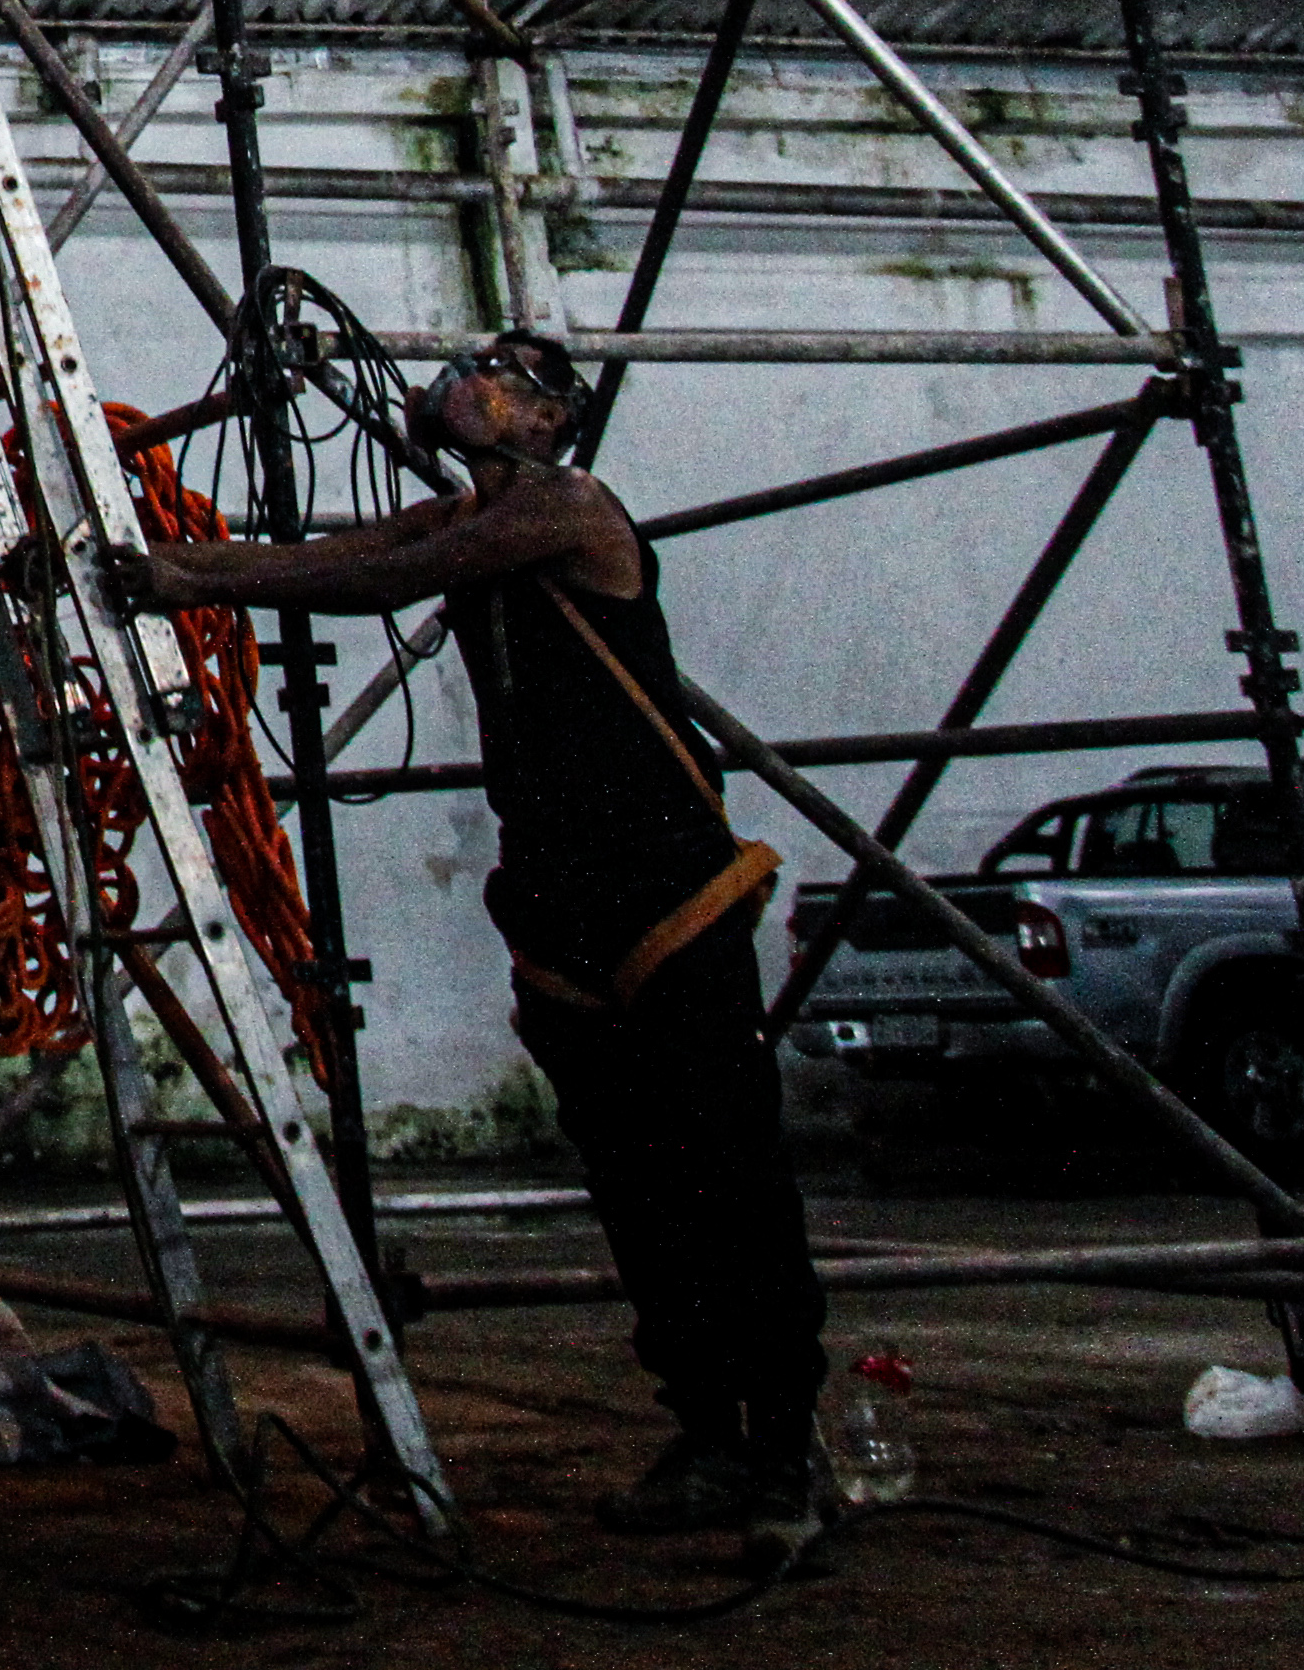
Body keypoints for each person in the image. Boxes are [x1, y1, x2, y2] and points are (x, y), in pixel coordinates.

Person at [102, 329, 828, 1565]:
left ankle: (782, 1454)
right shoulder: (470, 522)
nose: (473, 383)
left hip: (666, 893)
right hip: (560, 898)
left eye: (513, 378)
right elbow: (340, 554)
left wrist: (195, 582)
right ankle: (710, 1432)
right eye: (477, 363)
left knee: (726, 1177)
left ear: (553, 425)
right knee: (639, 1185)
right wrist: (163, 567)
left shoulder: (568, 512)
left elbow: (385, 579)